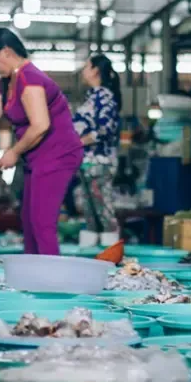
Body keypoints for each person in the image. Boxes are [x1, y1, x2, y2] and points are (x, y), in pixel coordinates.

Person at [0, 28, 83, 255]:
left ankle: (49, 283)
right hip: (36, 157)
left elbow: (40, 125)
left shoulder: (31, 79)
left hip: (57, 155)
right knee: (28, 220)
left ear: (7, 52)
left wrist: (14, 152)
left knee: (41, 223)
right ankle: (33, 275)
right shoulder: (6, 83)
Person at [73, 54, 122, 247]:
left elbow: (105, 130)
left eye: (86, 66)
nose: (83, 70)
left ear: (95, 70)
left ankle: (111, 255)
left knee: (104, 211)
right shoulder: (92, 97)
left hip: (100, 164)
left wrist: (78, 142)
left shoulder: (105, 97)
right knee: (90, 213)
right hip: (87, 164)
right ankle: (92, 255)